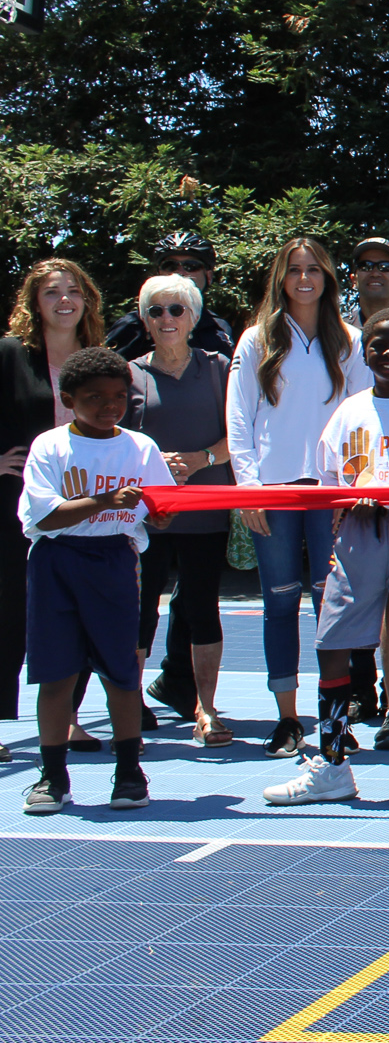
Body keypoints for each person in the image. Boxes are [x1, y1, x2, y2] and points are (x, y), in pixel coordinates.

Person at [261, 311, 389, 806]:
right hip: (358, 535)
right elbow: (328, 481)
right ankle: (333, 762)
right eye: (379, 346)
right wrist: (345, 502)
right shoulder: (349, 411)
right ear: (365, 352)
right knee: (332, 642)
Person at [226, 239, 370, 759]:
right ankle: (287, 720)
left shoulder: (349, 341)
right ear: (280, 278)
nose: (304, 278)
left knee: (331, 607)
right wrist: (248, 489)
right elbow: (239, 421)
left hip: (331, 494)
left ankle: (334, 715)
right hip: (272, 491)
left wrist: (348, 492)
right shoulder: (255, 340)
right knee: (280, 602)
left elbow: (361, 422)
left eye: (314, 269)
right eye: (294, 270)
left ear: (329, 277)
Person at [18, 347, 173, 814]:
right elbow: (44, 518)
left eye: (119, 396)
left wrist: (168, 503)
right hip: (57, 563)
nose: (109, 406)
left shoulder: (139, 448)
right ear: (68, 399)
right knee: (57, 673)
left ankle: (128, 771)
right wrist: (105, 499)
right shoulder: (50, 445)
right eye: (95, 397)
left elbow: (161, 513)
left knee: (121, 671)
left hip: (113, 561)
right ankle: (52, 776)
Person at [0, 258, 107, 760]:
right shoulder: (9, 355)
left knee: (77, 615)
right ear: (33, 302)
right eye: (51, 292)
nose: (64, 300)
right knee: (8, 611)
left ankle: (66, 719)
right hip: (18, 507)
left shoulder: (98, 359)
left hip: (87, 507)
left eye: (73, 291)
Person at [123, 273, 234, 746]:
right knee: (140, 610)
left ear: (193, 316)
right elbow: (114, 443)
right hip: (145, 516)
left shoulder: (219, 368)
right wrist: (150, 462)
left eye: (177, 309)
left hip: (205, 510)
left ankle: (205, 709)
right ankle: (129, 702)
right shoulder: (127, 374)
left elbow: (241, 438)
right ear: (145, 320)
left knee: (201, 608)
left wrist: (199, 460)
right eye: (156, 311)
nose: (167, 319)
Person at [105, 233, 237, 360]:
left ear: (208, 276)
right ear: (158, 273)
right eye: (170, 266)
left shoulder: (220, 329)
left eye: (191, 266)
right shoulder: (133, 325)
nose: (179, 273)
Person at [345, 237, 389, 327]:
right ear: (354, 280)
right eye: (365, 266)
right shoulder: (338, 332)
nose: (375, 274)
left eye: (385, 267)